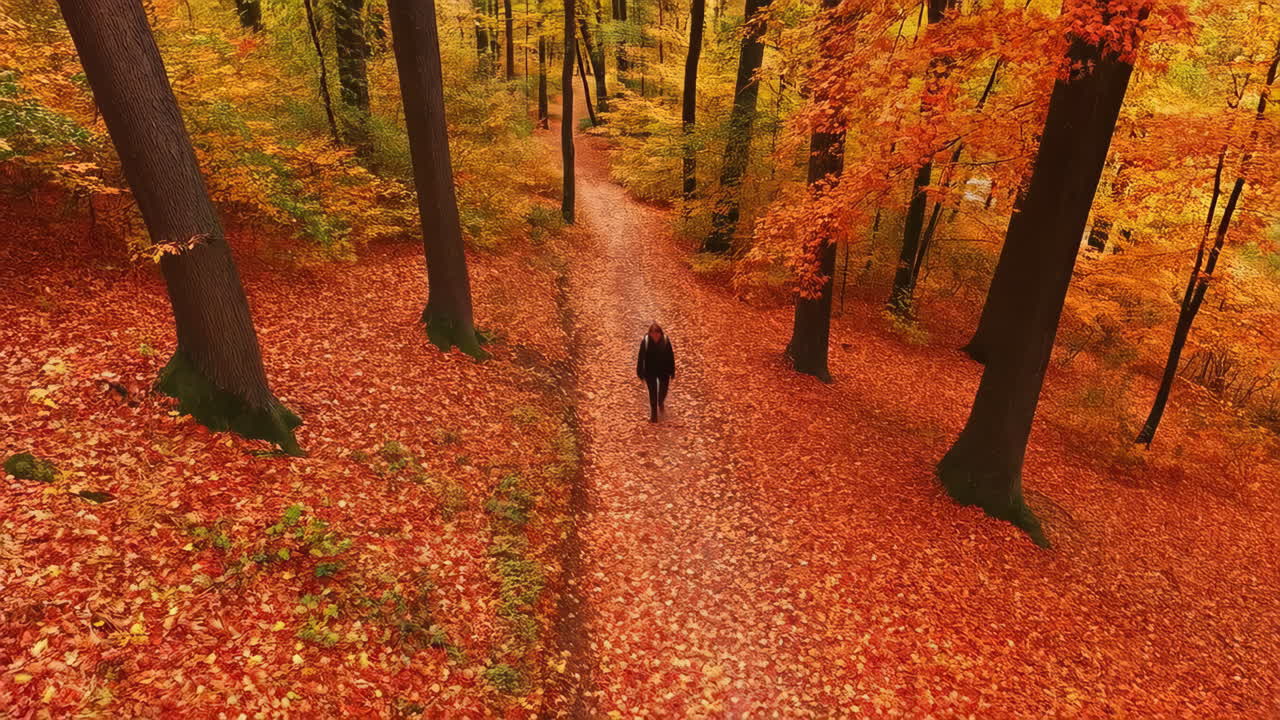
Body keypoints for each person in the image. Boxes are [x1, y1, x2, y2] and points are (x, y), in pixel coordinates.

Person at [636, 322, 675, 422]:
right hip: (650, 371)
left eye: (657, 333)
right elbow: (641, 357)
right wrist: (640, 371)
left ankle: (660, 401)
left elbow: (670, 356)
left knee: (663, 391)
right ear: (649, 334)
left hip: (664, 371)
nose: (655, 336)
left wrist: (672, 371)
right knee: (652, 393)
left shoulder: (666, 341)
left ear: (660, 334)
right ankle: (654, 415)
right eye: (652, 333)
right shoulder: (646, 342)